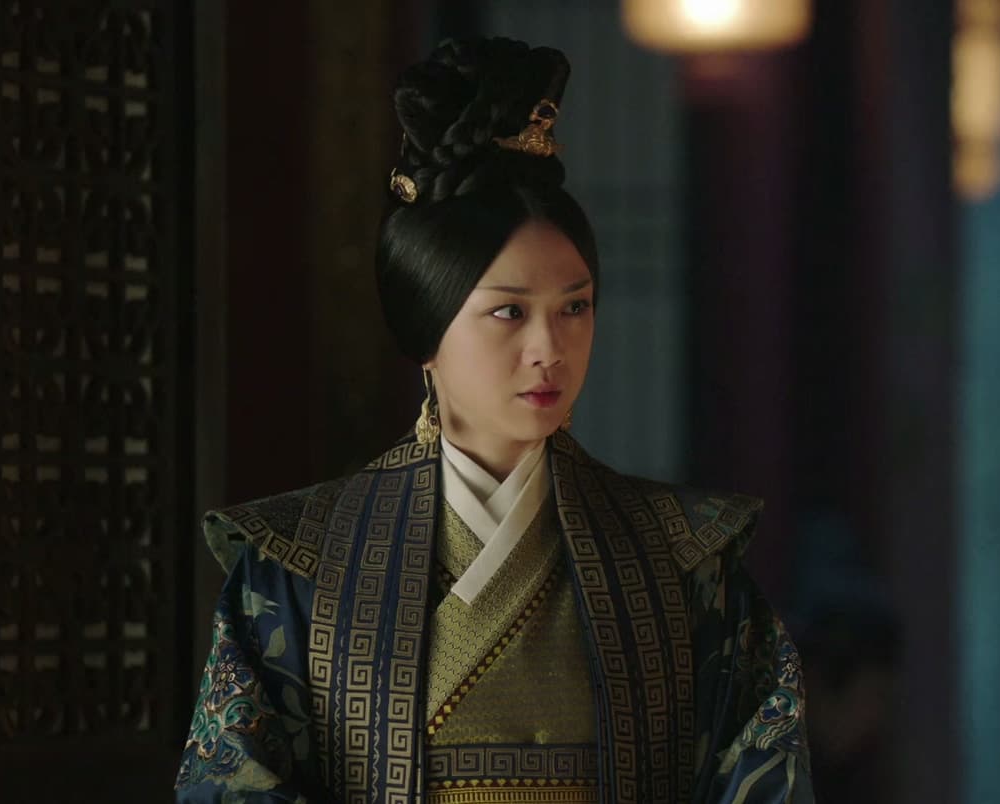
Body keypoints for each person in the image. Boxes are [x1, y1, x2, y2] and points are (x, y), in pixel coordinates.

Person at [174, 37, 812, 804]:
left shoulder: (687, 563)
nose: (550, 348)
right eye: (509, 312)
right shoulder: (296, 566)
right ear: (427, 332)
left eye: (574, 307)